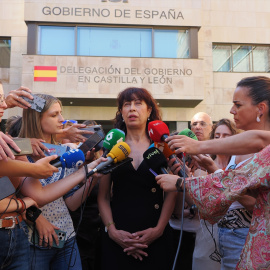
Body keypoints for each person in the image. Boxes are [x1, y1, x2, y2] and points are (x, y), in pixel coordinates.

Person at [157, 76, 270, 269]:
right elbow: (235, 186)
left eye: (238, 105)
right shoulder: (248, 147)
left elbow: (233, 187)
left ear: (260, 109)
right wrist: (209, 168)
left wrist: (181, 182)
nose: (232, 110)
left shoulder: (262, 147)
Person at [16, 93, 104, 270]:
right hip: (32, 242)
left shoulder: (67, 151)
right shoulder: (18, 150)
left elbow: (70, 204)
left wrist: (92, 177)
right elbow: (32, 197)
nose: (62, 120)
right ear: (36, 118)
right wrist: (38, 219)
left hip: (67, 239)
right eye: (54, 115)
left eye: (61, 113)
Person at [97, 87, 176, 270]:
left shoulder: (162, 145)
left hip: (155, 233)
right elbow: (103, 196)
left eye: (138, 103)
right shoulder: (112, 146)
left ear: (149, 111)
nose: (132, 108)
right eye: (127, 104)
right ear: (121, 112)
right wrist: (112, 231)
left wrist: (158, 230)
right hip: (118, 235)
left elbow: (171, 193)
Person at [69, 120, 102, 270]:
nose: (86, 143)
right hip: (76, 235)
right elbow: (71, 202)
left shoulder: (101, 166)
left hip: (99, 234)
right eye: (81, 139)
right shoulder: (69, 164)